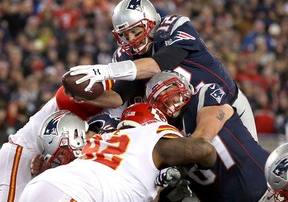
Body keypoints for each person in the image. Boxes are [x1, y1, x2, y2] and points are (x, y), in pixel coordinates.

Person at [68, 0, 258, 141]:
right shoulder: (126, 56)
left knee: (252, 165)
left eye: (136, 31)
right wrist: (86, 95)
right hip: (186, 119)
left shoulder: (174, 27)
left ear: (151, 23)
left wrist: (103, 71)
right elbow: (118, 97)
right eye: (125, 35)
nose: (132, 39)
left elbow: (155, 66)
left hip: (227, 102)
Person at [19, 103, 216, 202]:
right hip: (79, 195)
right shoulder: (151, 140)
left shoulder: (100, 139)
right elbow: (203, 149)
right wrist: (200, 164)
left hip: (39, 187)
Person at [145, 70, 271, 202]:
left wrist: (179, 168)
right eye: (158, 98)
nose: (166, 99)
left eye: (168, 90)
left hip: (264, 187)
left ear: (182, 85)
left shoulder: (204, 95)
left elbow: (203, 138)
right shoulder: (166, 136)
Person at [0, 83, 119, 202]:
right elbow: (65, 96)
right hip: (26, 151)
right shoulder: (106, 85)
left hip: (56, 160)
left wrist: (52, 165)